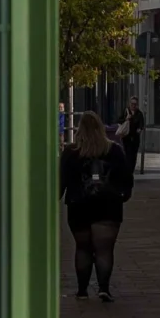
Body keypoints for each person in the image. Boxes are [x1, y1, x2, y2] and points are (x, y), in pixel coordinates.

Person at [60, 108, 133, 302]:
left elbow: (61, 180)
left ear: (79, 130)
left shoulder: (70, 152)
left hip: (79, 206)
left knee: (82, 248)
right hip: (108, 206)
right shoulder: (114, 150)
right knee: (104, 249)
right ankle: (103, 288)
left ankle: (82, 290)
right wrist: (123, 195)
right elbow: (126, 178)